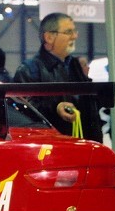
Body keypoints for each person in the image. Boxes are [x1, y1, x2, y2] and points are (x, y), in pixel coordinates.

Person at [14, 12, 103, 142]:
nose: (75, 36)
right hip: (50, 147)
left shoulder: (75, 66)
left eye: (75, 31)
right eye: (68, 32)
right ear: (49, 37)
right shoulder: (29, 69)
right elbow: (24, 111)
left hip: (81, 145)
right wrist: (56, 108)